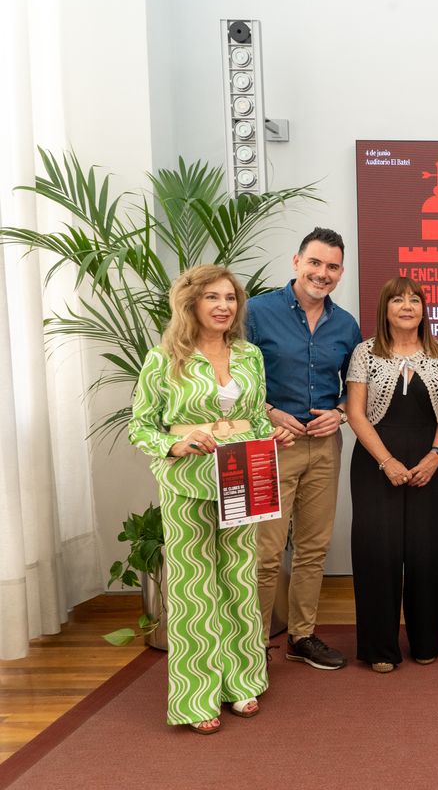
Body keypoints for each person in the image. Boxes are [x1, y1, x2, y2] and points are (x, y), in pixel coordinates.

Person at [129, 265, 294, 734]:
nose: (224, 306)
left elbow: (256, 421)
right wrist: (176, 445)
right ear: (191, 303)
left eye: (230, 298)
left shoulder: (249, 356)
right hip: (186, 483)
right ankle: (196, 698)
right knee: (195, 593)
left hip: (244, 477)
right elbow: (140, 425)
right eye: (213, 298)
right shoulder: (162, 359)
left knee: (239, 582)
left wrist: (272, 437)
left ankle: (241, 683)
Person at [247, 227, 361, 670]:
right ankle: (250, 646)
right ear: (297, 262)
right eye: (315, 263)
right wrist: (271, 412)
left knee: (314, 548)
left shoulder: (345, 324)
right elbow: (233, 379)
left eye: (332, 267)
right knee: (265, 553)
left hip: (324, 447)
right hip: (272, 444)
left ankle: (302, 636)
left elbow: (356, 389)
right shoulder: (257, 312)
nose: (322, 273)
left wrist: (342, 413)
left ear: (341, 272)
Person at [346, 276, 438, 672]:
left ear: (424, 309)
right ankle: (380, 648)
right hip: (376, 463)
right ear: (385, 309)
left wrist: (436, 455)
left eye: (415, 299)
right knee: (379, 553)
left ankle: (427, 641)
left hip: (429, 461)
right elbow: (356, 414)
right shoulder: (365, 353)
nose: (407, 306)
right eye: (398, 300)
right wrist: (386, 461)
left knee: (426, 551)